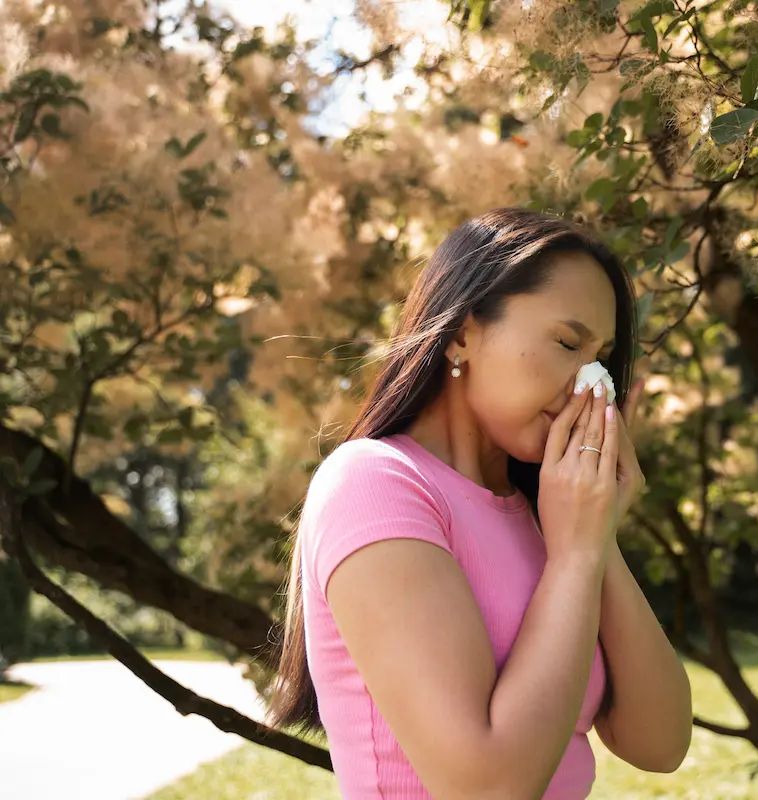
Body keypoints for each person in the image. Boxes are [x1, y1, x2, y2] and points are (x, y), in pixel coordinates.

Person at [267, 207, 693, 799]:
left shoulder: (549, 517)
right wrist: (573, 557)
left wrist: (596, 538)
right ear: (464, 331)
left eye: (601, 358)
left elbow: (660, 742)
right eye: (569, 342)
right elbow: (486, 788)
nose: (591, 383)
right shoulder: (375, 483)